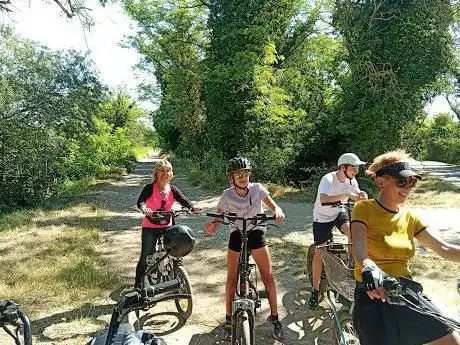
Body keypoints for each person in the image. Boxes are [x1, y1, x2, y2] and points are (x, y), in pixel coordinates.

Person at [351, 149, 460, 345]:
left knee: (451, 340)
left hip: (405, 292)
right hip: (372, 291)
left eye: (412, 182)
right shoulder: (364, 208)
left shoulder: (411, 217)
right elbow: (359, 249)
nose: (408, 187)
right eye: (402, 181)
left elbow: (444, 249)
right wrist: (369, 267)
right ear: (381, 182)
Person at [204, 157, 285, 341]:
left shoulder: (257, 189)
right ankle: (228, 319)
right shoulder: (226, 195)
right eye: (238, 174)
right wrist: (213, 227)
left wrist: (277, 211)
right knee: (231, 279)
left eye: (246, 173)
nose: (243, 177)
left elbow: (273, 205)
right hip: (237, 234)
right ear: (231, 178)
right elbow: (218, 217)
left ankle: (275, 317)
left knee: (268, 277)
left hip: (256, 232)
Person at [308, 153, 368, 310]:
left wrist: (362, 196)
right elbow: (323, 199)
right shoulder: (328, 179)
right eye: (353, 168)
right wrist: (347, 194)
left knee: (353, 234)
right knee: (320, 251)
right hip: (322, 216)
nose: (356, 171)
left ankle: (350, 268)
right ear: (343, 167)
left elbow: (356, 196)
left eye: (357, 168)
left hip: (339, 212)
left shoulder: (351, 180)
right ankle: (314, 290)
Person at [134, 158, 201, 290]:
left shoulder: (173, 189)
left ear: (171, 173)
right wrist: (144, 209)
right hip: (150, 227)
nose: (165, 173)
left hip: (167, 225)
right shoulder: (149, 188)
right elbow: (140, 202)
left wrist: (192, 208)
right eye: (162, 171)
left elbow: (184, 201)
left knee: (176, 251)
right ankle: (138, 284)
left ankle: (179, 277)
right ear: (156, 173)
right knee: (146, 255)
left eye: (168, 171)